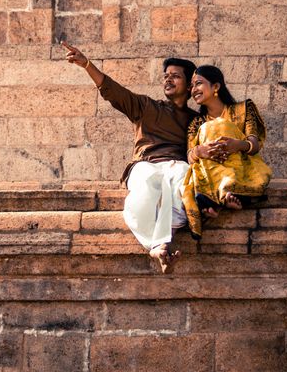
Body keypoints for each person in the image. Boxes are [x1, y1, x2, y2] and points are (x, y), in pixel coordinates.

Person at [62, 41, 196, 273]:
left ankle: (160, 245)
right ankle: (158, 244)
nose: (168, 80)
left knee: (181, 178)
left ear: (190, 84)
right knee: (148, 183)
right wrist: (87, 65)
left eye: (175, 76)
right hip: (147, 164)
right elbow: (113, 91)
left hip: (178, 166)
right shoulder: (146, 107)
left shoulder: (197, 120)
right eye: (166, 75)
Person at [183, 65, 273, 240]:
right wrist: (202, 151)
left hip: (243, 168)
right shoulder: (196, 122)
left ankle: (216, 199)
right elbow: (189, 156)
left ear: (216, 87)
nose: (193, 90)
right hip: (211, 171)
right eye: (192, 86)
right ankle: (222, 197)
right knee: (208, 130)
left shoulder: (244, 109)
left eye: (198, 84)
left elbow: (254, 144)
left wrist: (237, 145)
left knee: (219, 126)